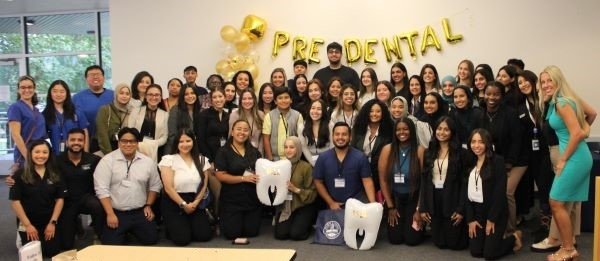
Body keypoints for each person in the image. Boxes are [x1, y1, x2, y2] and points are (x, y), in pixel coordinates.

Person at [540, 66, 592, 261]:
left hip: (574, 158)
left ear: (558, 81)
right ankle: (567, 248)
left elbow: (576, 132)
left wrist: (562, 159)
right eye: (543, 82)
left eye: (549, 81)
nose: (545, 85)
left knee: (556, 202)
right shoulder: (564, 100)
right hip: (578, 155)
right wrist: (585, 129)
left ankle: (568, 249)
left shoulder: (562, 102)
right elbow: (592, 113)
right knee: (560, 203)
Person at [93, 127, 162, 245]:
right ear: (119, 142)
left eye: (132, 141)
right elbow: (101, 190)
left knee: (151, 239)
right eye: (124, 141)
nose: (128, 144)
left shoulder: (147, 162)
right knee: (110, 244)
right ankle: (124, 232)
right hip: (116, 212)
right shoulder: (107, 161)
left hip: (139, 211)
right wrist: (110, 214)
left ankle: (129, 232)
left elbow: (155, 186)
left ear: (137, 143)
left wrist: (148, 205)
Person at [465, 128, 522, 259]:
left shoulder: (497, 161)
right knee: (476, 252)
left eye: (481, 142)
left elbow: (499, 194)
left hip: (495, 213)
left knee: (489, 255)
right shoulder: (469, 161)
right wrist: (471, 219)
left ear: (487, 144)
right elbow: (466, 194)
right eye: (473, 142)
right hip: (477, 214)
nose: (476, 145)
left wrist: (492, 219)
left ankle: (514, 237)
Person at [479, 81, 525, 235]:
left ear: (502, 96)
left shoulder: (510, 113)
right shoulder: (480, 113)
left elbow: (517, 140)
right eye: (488, 94)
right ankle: (495, 225)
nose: (491, 97)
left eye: (496, 94)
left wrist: (509, 162)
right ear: (484, 94)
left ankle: (511, 230)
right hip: (493, 160)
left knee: (506, 192)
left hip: (515, 161)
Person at [419, 117, 469, 250]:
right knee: (439, 243)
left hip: (453, 198)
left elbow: (465, 184)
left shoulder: (461, 153)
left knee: (455, 244)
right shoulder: (429, 152)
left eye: (446, 129)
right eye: (439, 129)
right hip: (434, 196)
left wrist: (461, 209)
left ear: (452, 132)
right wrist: (423, 207)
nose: (442, 132)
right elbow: (424, 181)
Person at [9, 140, 65, 257]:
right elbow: (15, 202)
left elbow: (60, 199)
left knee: (51, 252)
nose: (41, 155)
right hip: (27, 221)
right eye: (37, 152)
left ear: (49, 154)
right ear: (30, 153)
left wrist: (52, 223)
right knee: (32, 254)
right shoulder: (20, 174)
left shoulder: (55, 173)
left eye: (45, 152)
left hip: (48, 220)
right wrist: (28, 225)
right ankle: (21, 236)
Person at [159, 129, 212, 245]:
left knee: (204, 236)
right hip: (174, 201)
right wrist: (183, 204)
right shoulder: (168, 160)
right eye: (181, 141)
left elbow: (204, 186)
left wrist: (196, 203)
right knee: (182, 239)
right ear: (176, 143)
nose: (185, 144)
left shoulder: (202, 160)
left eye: (188, 141)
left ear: (194, 141)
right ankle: (173, 227)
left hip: (195, 201)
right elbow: (168, 188)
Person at [378, 117, 425, 245]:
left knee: (412, 240)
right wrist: (390, 206)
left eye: (405, 129)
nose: (401, 132)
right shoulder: (387, 150)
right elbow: (383, 180)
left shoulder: (419, 151)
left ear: (411, 131)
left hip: (413, 198)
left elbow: (423, 183)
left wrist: (419, 209)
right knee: (395, 239)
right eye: (398, 130)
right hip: (395, 199)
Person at [55, 128, 104, 250]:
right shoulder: (56, 161)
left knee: (97, 205)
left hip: (87, 198)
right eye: (72, 140)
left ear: (84, 142)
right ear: (67, 142)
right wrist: (15, 178)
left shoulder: (94, 160)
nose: (76, 143)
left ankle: (99, 233)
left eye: (80, 140)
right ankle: (75, 224)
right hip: (67, 202)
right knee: (66, 245)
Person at [214, 120, 262, 240]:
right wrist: (243, 178)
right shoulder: (223, 151)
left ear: (249, 133)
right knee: (232, 234)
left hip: (251, 199)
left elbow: (261, 170)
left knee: (252, 232)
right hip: (232, 200)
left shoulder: (255, 152)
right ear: (232, 132)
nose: (242, 132)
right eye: (239, 129)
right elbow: (220, 175)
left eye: (245, 130)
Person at [313, 122, 376, 210]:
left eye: (344, 134)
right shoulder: (323, 158)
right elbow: (318, 182)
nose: (340, 137)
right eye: (337, 134)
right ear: (332, 136)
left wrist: (373, 206)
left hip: (357, 205)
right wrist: (331, 203)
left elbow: (367, 181)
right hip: (333, 206)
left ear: (350, 137)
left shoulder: (360, 157)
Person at [274, 136, 318, 240]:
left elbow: (313, 193)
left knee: (296, 234)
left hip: (303, 205)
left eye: (292, 147)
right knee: (281, 235)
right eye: (286, 147)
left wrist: (295, 189)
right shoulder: (278, 166)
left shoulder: (306, 167)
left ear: (298, 149)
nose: (288, 150)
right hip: (286, 206)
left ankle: (308, 224)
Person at [351, 99, 393, 191]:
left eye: (378, 111)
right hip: (359, 173)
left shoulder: (389, 130)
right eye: (371, 111)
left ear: (383, 113)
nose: (374, 114)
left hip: (380, 174)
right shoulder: (358, 129)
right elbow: (352, 149)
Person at [73, 65, 114, 153]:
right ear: (86, 79)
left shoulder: (114, 95)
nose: (95, 77)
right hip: (87, 142)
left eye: (98, 74)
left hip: (111, 142)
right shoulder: (77, 98)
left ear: (103, 77)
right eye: (91, 74)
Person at [8, 76, 47, 168]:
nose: (27, 90)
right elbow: (16, 135)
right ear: (18, 90)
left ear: (34, 89)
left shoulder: (36, 110)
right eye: (23, 87)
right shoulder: (15, 108)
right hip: (26, 153)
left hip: (39, 152)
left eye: (30, 87)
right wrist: (28, 157)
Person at [43, 80, 90, 155]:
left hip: (76, 154)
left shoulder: (77, 112)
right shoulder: (44, 115)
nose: (58, 94)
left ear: (67, 93)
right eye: (55, 91)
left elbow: (85, 133)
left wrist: (86, 153)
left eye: (62, 91)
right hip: (54, 156)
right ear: (50, 94)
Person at [127, 84, 168, 162]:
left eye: (157, 95)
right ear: (146, 96)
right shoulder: (136, 111)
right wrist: (138, 145)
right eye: (150, 94)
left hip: (155, 152)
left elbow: (164, 137)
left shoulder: (165, 115)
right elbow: (130, 131)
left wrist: (149, 145)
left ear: (160, 98)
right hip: (136, 149)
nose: (153, 97)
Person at [262, 88, 304, 161]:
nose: (283, 100)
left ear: (291, 100)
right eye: (280, 98)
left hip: (293, 158)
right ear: (275, 101)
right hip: (275, 158)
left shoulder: (298, 115)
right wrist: (270, 158)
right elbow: (266, 139)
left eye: (286, 97)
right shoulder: (269, 116)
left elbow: (301, 139)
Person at [95, 83, 132, 155]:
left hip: (122, 150)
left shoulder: (131, 111)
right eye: (121, 93)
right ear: (116, 94)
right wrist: (109, 154)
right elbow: (102, 134)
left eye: (127, 94)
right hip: (105, 149)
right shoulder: (105, 109)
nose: (124, 96)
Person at [165, 84, 202, 154]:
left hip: (194, 151)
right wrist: (183, 148)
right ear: (182, 97)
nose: (190, 96)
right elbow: (172, 135)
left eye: (192, 93)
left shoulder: (200, 111)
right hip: (176, 150)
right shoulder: (175, 110)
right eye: (186, 94)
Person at [196, 89, 230, 162]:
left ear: (225, 98)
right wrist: (209, 159)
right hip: (208, 155)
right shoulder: (204, 115)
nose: (218, 99)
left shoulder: (228, 115)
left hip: (225, 155)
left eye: (220, 96)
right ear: (211, 100)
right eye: (214, 97)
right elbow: (200, 139)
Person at [299, 99, 331, 166]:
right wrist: (313, 163)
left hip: (329, 160)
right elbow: (304, 148)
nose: (315, 111)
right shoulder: (301, 127)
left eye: (319, 109)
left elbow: (333, 146)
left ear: (323, 111)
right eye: (313, 108)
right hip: (311, 161)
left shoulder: (330, 125)